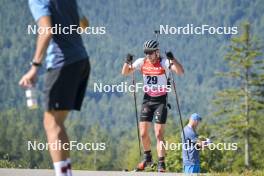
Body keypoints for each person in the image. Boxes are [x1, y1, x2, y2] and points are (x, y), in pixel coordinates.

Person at [19, 0, 90, 176]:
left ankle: (63, 174)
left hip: (62, 63)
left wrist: (35, 66)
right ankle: (65, 172)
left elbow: (46, 30)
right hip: (81, 60)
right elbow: (85, 23)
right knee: (57, 122)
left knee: (51, 122)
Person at [122, 40, 184, 172]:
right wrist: (127, 61)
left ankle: (161, 163)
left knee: (158, 134)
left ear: (157, 52)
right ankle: (147, 158)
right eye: (146, 52)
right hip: (147, 100)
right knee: (143, 133)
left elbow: (180, 71)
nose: (148, 55)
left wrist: (173, 59)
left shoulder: (163, 62)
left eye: (150, 52)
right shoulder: (142, 62)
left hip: (161, 101)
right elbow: (125, 72)